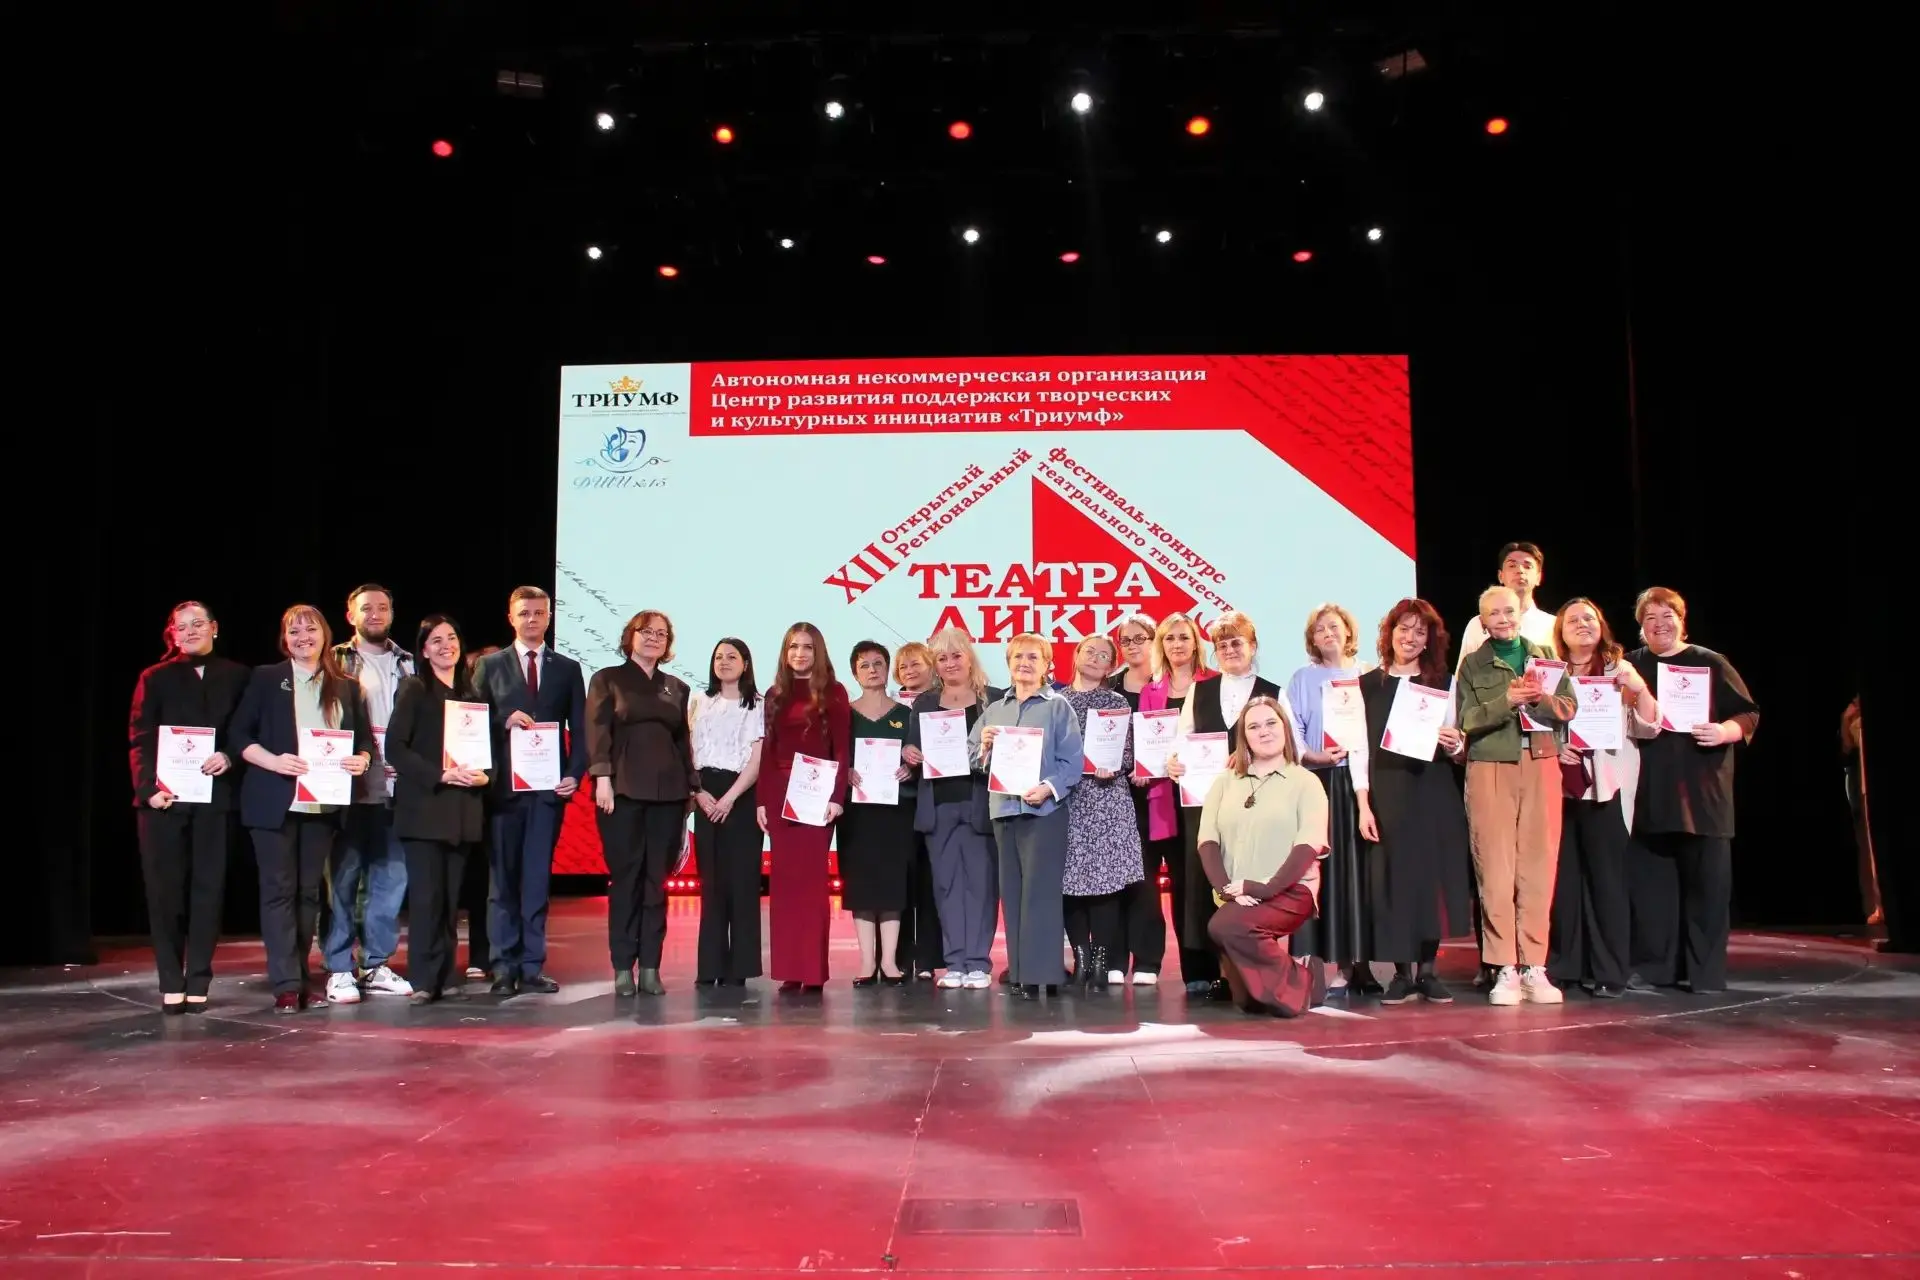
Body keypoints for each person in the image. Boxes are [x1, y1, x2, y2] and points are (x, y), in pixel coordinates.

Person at [229, 604, 374, 1013]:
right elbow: (239, 735)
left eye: (310, 630)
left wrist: (361, 760)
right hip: (274, 801)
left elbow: (363, 740)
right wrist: (274, 761)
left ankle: (300, 976)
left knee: (308, 894)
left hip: (322, 804)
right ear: (284, 639)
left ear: (325, 635)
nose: (303, 638)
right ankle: (287, 984)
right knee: (279, 892)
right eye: (294, 632)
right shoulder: (266, 678)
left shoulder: (345, 686)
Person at [1626, 587, 1758, 994]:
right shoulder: (1631, 666)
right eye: (1650, 618)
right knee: (1652, 893)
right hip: (1649, 794)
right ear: (1641, 626)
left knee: (1708, 890)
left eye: (1667, 616)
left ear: (1682, 621)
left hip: (1704, 795)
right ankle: (1655, 969)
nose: (1659, 625)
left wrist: (1724, 731)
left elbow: (1747, 713)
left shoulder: (1709, 661)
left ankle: (1706, 974)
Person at [1456, 585, 1577, 1005]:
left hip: (1541, 763)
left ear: (1519, 614)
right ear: (1483, 621)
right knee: (1495, 866)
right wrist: (1506, 701)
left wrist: (1541, 699)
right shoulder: (1473, 664)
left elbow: (1569, 708)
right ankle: (1504, 966)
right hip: (1491, 765)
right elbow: (1467, 719)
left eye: (1509, 611)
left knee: (1538, 866)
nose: (1504, 619)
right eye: (1494, 614)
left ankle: (1534, 967)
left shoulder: (1544, 656)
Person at [126, 600, 249, 1013]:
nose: (191, 631)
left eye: (198, 623)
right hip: (164, 801)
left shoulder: (238, 676)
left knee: (208, 891)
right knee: (165, 895)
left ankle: (199, 978)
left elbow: (246, 731)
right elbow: (140, 737)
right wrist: (148, 789)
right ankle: (170, 980)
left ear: (214, 627)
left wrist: (230, 756)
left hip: (216, 798)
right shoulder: (155, 677)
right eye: (182, 626)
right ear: (172, 635)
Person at [1352, 598, 1472, 1004]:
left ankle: (1429, 971)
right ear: (1390, 633)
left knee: (1430, 880)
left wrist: (1456, 744)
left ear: (1429, 640)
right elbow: (1358, 749)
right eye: (1404, 629)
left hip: (1433, 788)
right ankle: (1401, 975)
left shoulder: (1444, 683)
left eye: (1420, 632)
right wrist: (1363, 804)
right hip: (1386, 792)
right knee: (1395, 882)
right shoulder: (1368, 685)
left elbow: (1457, 744)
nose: (1411, 637)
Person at [469, 587, 587, 996]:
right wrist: (502, 720)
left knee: (536, 881)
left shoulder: (567, 668)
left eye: (539, 613)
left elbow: (580, 728)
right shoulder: (489, 666)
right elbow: (471, 724)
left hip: (547, 793)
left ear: (550, 617)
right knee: (502, 882)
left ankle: (532, 966)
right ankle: (503, 967)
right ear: (511, 617)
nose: (532, 619)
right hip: (502, 791)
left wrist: (575, 773)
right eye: (524, 613)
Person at [1547, 598, 1660, 997]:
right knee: (1564, 882)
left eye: (1589, 618)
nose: (1582, 624)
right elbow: (1535, 725)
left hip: (1606, 787)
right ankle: (1566, 967)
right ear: (1560, 632)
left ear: (1601, 626)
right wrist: (1555, 745)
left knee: (1607, 882)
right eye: (1573, 620)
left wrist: (1639, 689)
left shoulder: (1619, 671)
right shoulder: (1550, 673)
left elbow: (1650, 727)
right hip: (1560, 788)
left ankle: (1610, 972)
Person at [1198, 696, 1332, 1017]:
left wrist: (1263, 888)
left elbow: (1308, 845)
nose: (1264, 731)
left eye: (1271, 723)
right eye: (1254, 726)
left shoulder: (1306, 782)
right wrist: (1227, 889)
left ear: (1285, 728)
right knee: (1249, 1003)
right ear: (1244, 737)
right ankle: (1285, 980)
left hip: (1290, 891)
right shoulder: (1224, 781)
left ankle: (1302, 980)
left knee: (1225, 926)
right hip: (1238, 894)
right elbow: (1207, 841)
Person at [588, 610, 698, 997]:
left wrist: (692, 788)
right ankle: (623, 967)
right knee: (626, 880)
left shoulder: (677, 687)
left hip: (669, 796)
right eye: (646, 631)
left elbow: (682, 743)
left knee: (656, 883)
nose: (653, 638)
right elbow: (598, 731)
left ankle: (650, 966)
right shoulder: (607, 679)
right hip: (622, 793)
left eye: (661, 634)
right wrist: (602, 778)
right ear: (630, 636)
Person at [384, 615, 490, 1004]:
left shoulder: (472, 695)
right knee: (427, 899)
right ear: (424, 650)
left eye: (452, 637)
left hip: (462, 812)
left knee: (449, 901)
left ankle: (446, 975)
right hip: (425, 810)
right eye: (437, 640)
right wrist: (440, 774)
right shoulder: (414, 688)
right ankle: (424, 979)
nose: (447, 645)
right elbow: (395, 748)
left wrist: (486, 776)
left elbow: (487, 754)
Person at [973, 632, 1083, 999]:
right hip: (1004, 809)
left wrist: (1048, 788)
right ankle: (1020, 972)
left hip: (1044, 811)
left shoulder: (1058, 707)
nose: (1024, 663)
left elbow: (1072, 762)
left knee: (1041, 893)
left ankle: (1044, 974)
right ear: (1008, 663)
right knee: (1013, 893)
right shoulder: (994, 709)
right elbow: (972, 756)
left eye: (1033, 657)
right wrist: (984, 747)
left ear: (1047, 665)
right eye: (1018, 657)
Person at [321, 584, 415, 1004]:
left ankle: (375, 964)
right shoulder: (333, 659)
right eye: (366, 608)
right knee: (341, 881)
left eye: (382, 607)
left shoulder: (409, 662)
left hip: (399, 788)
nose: (375, 614)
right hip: (348, 786)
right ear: (350, 615)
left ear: (392, 613)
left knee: (390, 881)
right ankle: (339, 968)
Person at [903, 627, 1002, 989]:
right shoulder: (925, 703)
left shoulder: (993, 699)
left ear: (969, 657)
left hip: (979, 804)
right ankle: (955, 962)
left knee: (981, 886)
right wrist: (908, 752)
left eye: (956, 655)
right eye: (942, 658)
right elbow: (913, 748)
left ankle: (978, 963)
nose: (949, 663)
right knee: (946, 887)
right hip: (939, 806)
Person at [1284, 603, 1371, 1001]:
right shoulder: (1302, 679)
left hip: (1360, 784)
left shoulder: (1368, 674)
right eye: (1320, 630)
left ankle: (1358, 964)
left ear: (1348, 632)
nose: (1328, 634)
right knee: (1321, 872)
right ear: (1312, 639)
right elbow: (1293, 730)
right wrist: (1313, 756)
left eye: (1334, 626)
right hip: (1317, 782)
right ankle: (1317, 965)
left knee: (1356, 874)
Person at [757, 622, 851, 991]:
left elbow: (841, 749)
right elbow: (767, 751)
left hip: (816, 794)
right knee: (784, 887)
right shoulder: (774, 694)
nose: (800, 653)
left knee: (811, 886)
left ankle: (811, 972)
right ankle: (789, 970)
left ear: (818, 651)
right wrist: (762, 801)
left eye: (807, 647)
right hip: (779, 795)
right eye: (793, 646)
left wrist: (837, 797)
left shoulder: (834, 692)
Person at [1136, 612, 1218, 995]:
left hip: (1205, 799)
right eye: (1169, 638)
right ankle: (1194, 973)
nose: (1177, 644)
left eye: (1184, 637)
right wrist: (1145, 767)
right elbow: (1146, 744)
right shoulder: (1151, 691)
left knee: (1203, 883)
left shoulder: (1214, 684)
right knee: (1178, 885)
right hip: (1162, 798)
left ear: (1196, 642)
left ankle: (1218, 966)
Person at [1061, 635, 1143, 990]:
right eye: (1089, 651)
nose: (1095, 658)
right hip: (1068, 800)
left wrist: (1116, 764)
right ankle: (1080, 959)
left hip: (1108, 800)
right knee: (1070, 883)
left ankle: (1100, 962)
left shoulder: (1116, 702)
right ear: (1076, 655)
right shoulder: (1057, 702)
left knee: (1106, 885)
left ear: (1111, 666)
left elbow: (1129, 752)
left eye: (1104, 655)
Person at [689, 638, 764, 986]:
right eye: (718, 656)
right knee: (712, 882)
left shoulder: (758, 704)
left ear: (745, 663)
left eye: (732, 656)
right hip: (705, 793)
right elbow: (689, 751)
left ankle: (740, 968)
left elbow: (757, 758)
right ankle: (710, 966)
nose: (723, 662)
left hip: (742, 795)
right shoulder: (699, 701)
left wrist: (730, 797)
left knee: (743, 882)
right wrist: (698, 792)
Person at [840, 640, 916, 985]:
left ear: (888, 669)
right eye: (864, 665)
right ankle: (867, 962)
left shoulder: (906, 714)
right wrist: (845, 771)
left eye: (878, 663)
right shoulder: (844, 715)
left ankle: (889, 961)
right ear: (855, 674)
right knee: (861, 886)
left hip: (896, 811)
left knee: (892, 884)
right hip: (857, 813)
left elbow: (918, 756)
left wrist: (910, 768)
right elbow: (834, 756)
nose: (872, 670)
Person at [1107, 613, 1170, 985]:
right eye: (1125, 640)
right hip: (1114, 794)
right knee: (1118, 879)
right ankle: (1114, 957)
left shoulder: (1167, 683)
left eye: (1139, 638)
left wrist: (1154, 767)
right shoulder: (1110, 685)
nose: (1132, 646)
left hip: (1160, 794)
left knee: (1147, 880)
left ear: (1154, 640)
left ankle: (1147, 959)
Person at [892, 641, 943, 981]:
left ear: (931, 667)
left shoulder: (944, 703)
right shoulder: (891, 706)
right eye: (903, 666)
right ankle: (899, 957)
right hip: (895, 805)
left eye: (916, 664)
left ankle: (927, 958)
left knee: (929, 881)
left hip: (931, 800)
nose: (909, 671)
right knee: (900, 882)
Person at [1456, 542, 1556, 666]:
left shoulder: (1554, 625)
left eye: (1527, 566)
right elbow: (1463, 674)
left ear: (1538, 577)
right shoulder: (1479, 624)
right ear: (1500, 576)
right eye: (1512, 565)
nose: (1520, 570)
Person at [1841, 699, 1879, 927]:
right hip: (1863, 785)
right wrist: (1846, 719)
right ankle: (1879, 905)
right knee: (1871, 847)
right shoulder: (1855, 715)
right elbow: (1848, 747)